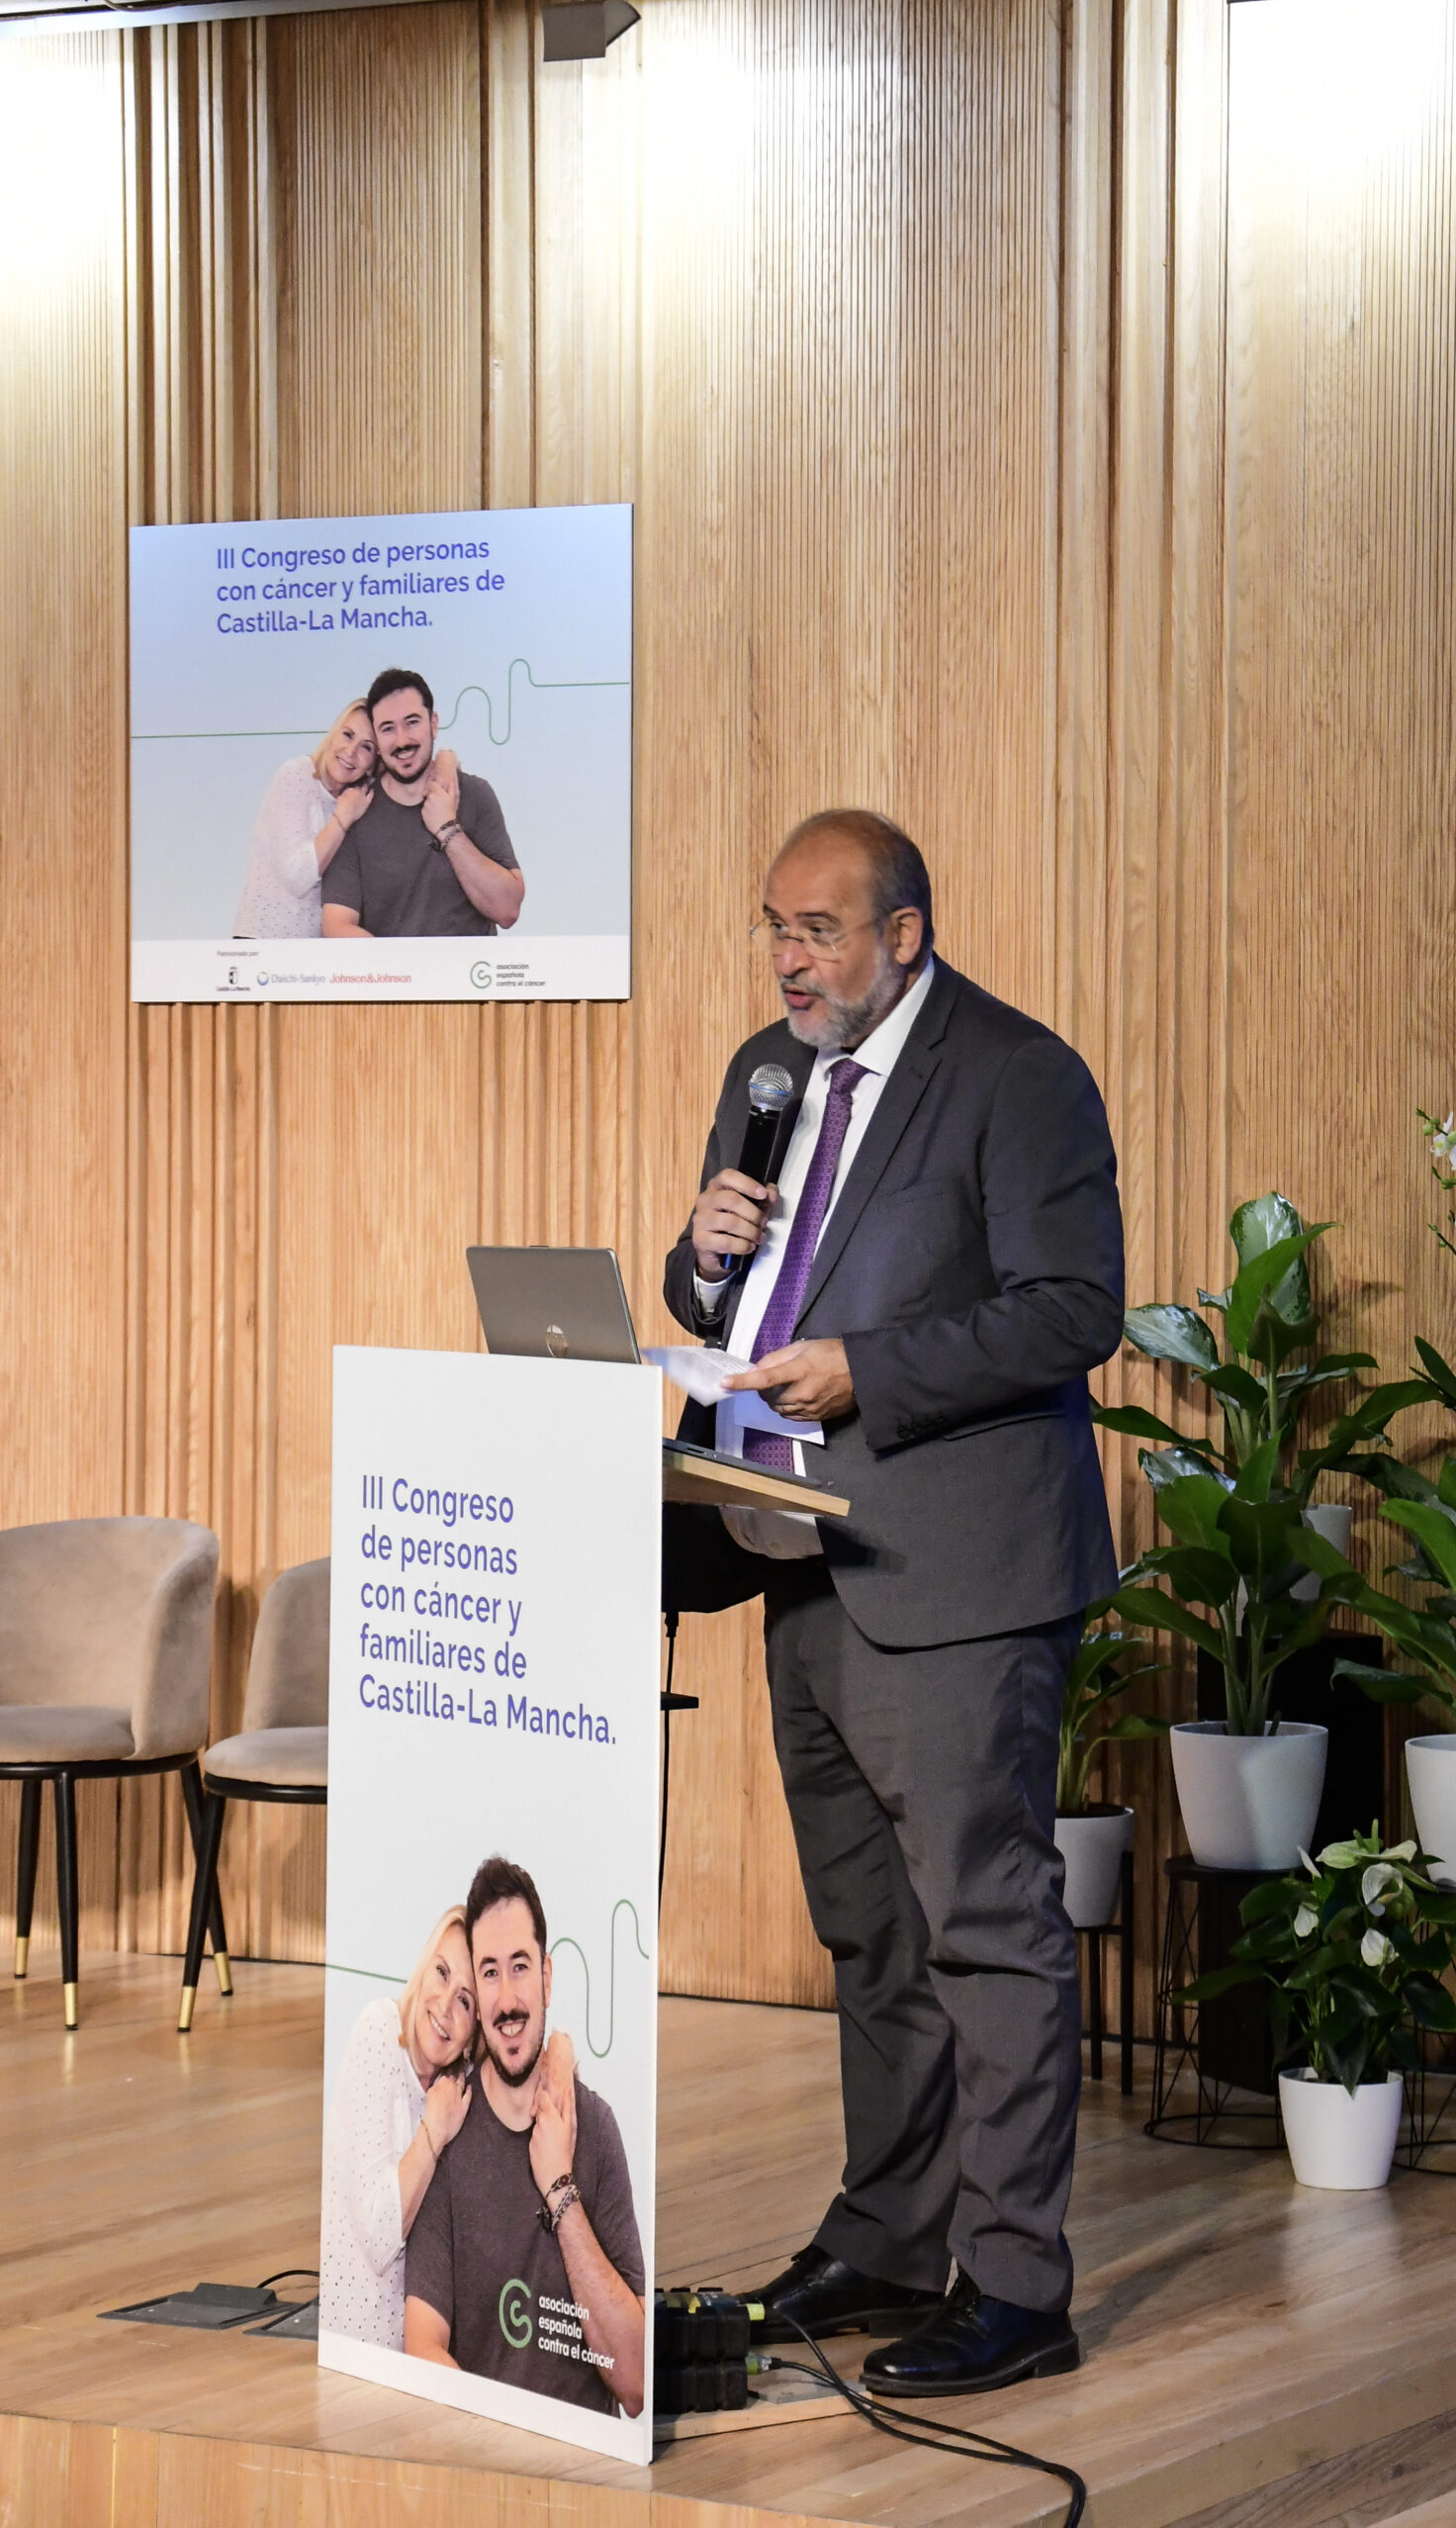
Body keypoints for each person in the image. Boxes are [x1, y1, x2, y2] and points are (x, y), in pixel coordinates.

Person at [662, 809, 1124, 2395]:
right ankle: (887, 2238)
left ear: (903, 936)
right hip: (793, 1555)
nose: (788, 959)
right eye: (773, 927)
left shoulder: (1016, 1074)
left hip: (958, 1573)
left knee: (983, 1927)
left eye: (819, 931)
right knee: (868, 1935)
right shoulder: (767, 1074)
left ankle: (1015, 2285)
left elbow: (1073, 1310)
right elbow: (729, 1302)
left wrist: (872, 1370)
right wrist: (699, 1260)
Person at [404, 1855, 646, 2418]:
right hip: (482, 2454)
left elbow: (636, 2384)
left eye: (520, 1966)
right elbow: (422, 2349)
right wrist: (507, 2445)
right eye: (489, 1972)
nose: (508, 1998)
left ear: (547, 1977)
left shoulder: (596, 2129)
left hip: (583, 2465)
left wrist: (561, 2190)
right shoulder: (449, 2132)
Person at [318, 1908, 479, 2350]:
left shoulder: (459, 2087)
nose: (444, 2006)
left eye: (465, 2001)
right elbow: (379, 2237)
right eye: (441, 1973)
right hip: (355, 2352)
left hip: (421, 2356)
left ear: (474, 2032)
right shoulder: (379, 2032)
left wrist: (561, 2053)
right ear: (423, 1969)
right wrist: (433, 2130)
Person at [320, 668, 524, 939]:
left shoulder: (475, 794)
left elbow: (507, 910)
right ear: (377, 741)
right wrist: (404, 965)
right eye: (388, 728)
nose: (402, 740)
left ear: (433, 724)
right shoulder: (356, 811)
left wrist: (448, 830)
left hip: (468, 968)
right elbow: (336, 926)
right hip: (392, 967)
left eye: (412, 722)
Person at [231, 701, 379, 938]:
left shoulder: (360, 797)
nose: (351, 752)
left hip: (311, 951)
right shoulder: (296, 775)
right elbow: (297, 876)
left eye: (366, 747)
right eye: (348, 735)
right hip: (262, 942)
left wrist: (443, 761)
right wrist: (343, 817)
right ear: (333, 733)